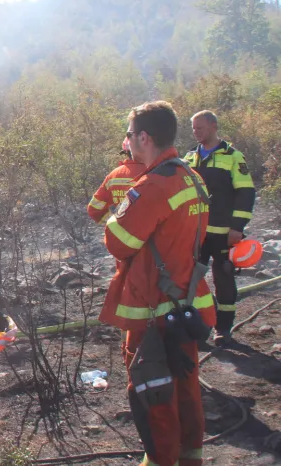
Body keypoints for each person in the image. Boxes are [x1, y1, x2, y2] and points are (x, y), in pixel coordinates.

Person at [100, 101, 216, 466]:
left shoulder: (151, 186)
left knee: (152, 391)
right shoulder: (191, 175)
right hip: (187, 304)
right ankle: (190, 455)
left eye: (131, 135)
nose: (129, 142)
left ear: (144, 137)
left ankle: (161, 459)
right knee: (185, 384)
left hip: (151, 307)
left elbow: (118, 241)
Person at [183, 110, 256, 344]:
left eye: (200, 128)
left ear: (213, 126)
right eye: (193, 128)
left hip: (224, 233)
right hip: (196, 233)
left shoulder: (233, 156)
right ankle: (198, 325)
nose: (196, 132)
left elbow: (246, 192)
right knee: (192, 279)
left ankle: (223, 329)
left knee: (223, 278)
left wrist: (237, 227)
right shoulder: (189, 158)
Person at [87, 137, 147, 223]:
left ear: (126, 153)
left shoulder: (113, 175)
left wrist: (114, 221)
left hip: (120, 233)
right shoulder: (156, 172)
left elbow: (93, 210)